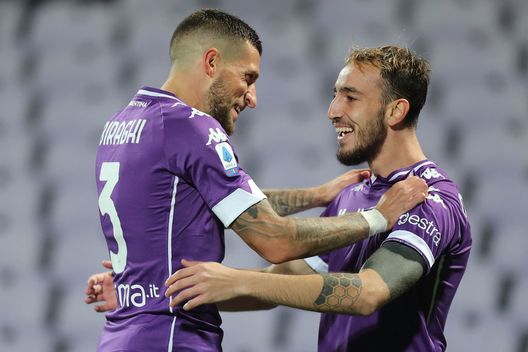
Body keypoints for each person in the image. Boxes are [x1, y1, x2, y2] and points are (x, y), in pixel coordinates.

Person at [91, 8, 427, 352]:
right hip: (172, 338)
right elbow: (277, 241)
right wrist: (377, 217)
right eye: (248, 78)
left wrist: (315, 195)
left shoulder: (122, 124)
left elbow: (199, 201)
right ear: (211, 63)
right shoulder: (192, 126)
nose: (252, 97)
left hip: (122, 335)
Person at [159, 46, 473, 351]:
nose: (333, 111)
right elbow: (276, 285)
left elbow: (369, 293)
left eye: (350, 97)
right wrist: (158, 295)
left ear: (395, 111)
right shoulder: (352, 196)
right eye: (335, 95)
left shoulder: (429, 198)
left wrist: (238, 281)